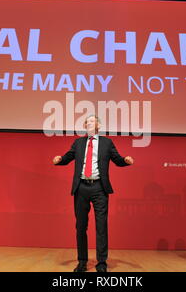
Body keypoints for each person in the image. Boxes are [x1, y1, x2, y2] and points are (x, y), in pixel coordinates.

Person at [52, 115, 134, 272]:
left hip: (99, 188)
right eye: (86, 122)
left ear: (98, 125)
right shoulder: (79, 142)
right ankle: (82, 261)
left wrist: (126, 161)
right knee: (81, 226)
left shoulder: (107, 142)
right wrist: (59, 159)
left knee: (101, 226)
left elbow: (117, 159)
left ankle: (101, 262)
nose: (88, 123)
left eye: (91, 121)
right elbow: (68, 157)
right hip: (81, 188)